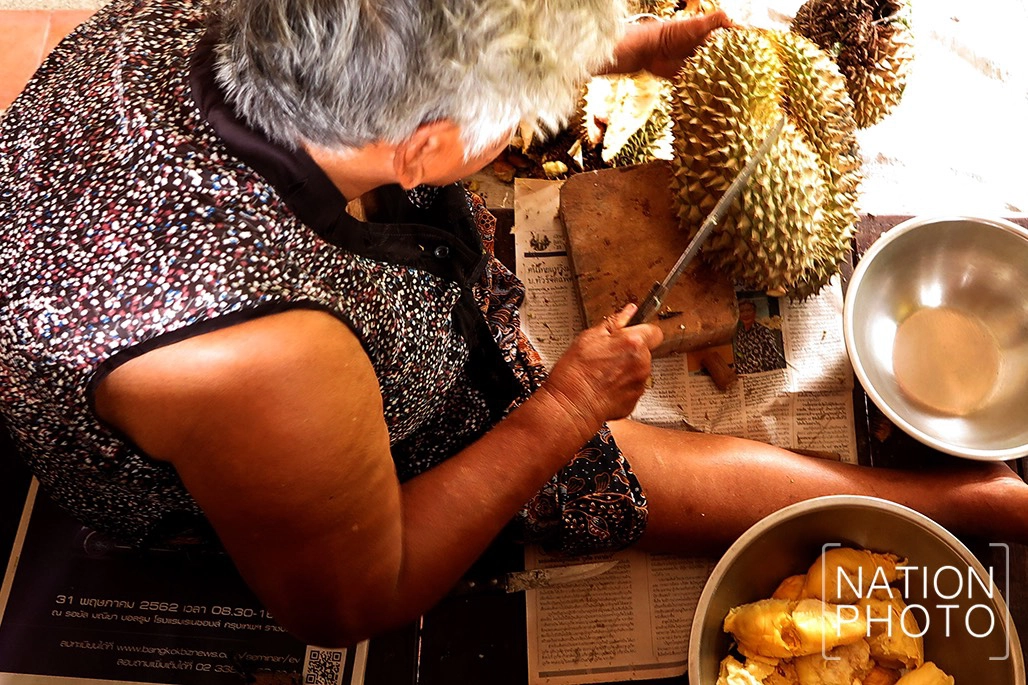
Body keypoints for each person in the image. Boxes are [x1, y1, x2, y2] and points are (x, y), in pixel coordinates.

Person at [1, 0, 1026, 649]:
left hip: (270, 303)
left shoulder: (210, 24)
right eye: (517, 105)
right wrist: (565, 410)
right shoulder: (259, 357)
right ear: (424, 146)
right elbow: (352, 603)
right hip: (280, 454)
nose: (536, 116)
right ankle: (967, 503)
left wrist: (638, 47)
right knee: (604, 458)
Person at [733, 299, 786, 374]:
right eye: (741, 311)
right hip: (744, 375)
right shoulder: (740, 333)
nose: (745, 314)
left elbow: (772, 360)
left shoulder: (764, 332)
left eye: (748, 310)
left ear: (754, 312)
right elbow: (739, 355)